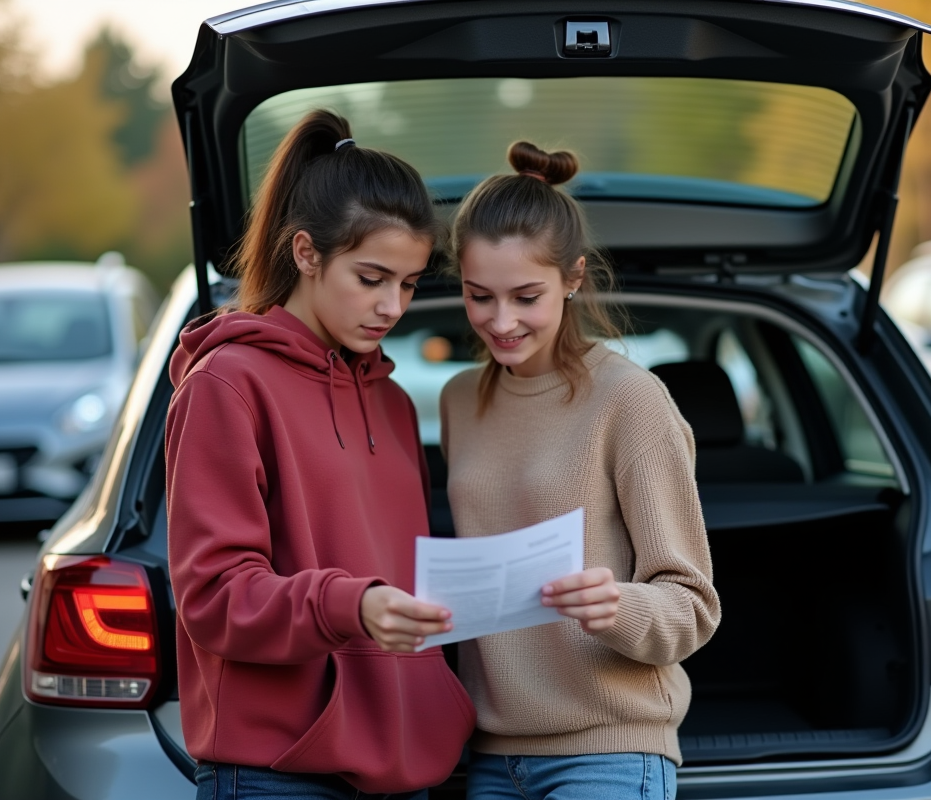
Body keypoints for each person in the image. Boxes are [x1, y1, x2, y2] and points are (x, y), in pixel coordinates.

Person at [165, 110, 475, 800]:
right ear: (306, 253)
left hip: (405, 767)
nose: (393, 305)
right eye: (371, 278)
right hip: (283, 771)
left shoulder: (393, 401)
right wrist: (350, 605)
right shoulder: (227, 385)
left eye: (409, 282)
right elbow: (213, 598)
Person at [439, 141, 721, 800]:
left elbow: (693, 605)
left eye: (526, 296)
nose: (500, 322)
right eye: (479, 296)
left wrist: (617, 604)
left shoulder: (629, 399)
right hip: (488, 754)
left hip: (610, 751)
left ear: (573, 278)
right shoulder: (458, 401)